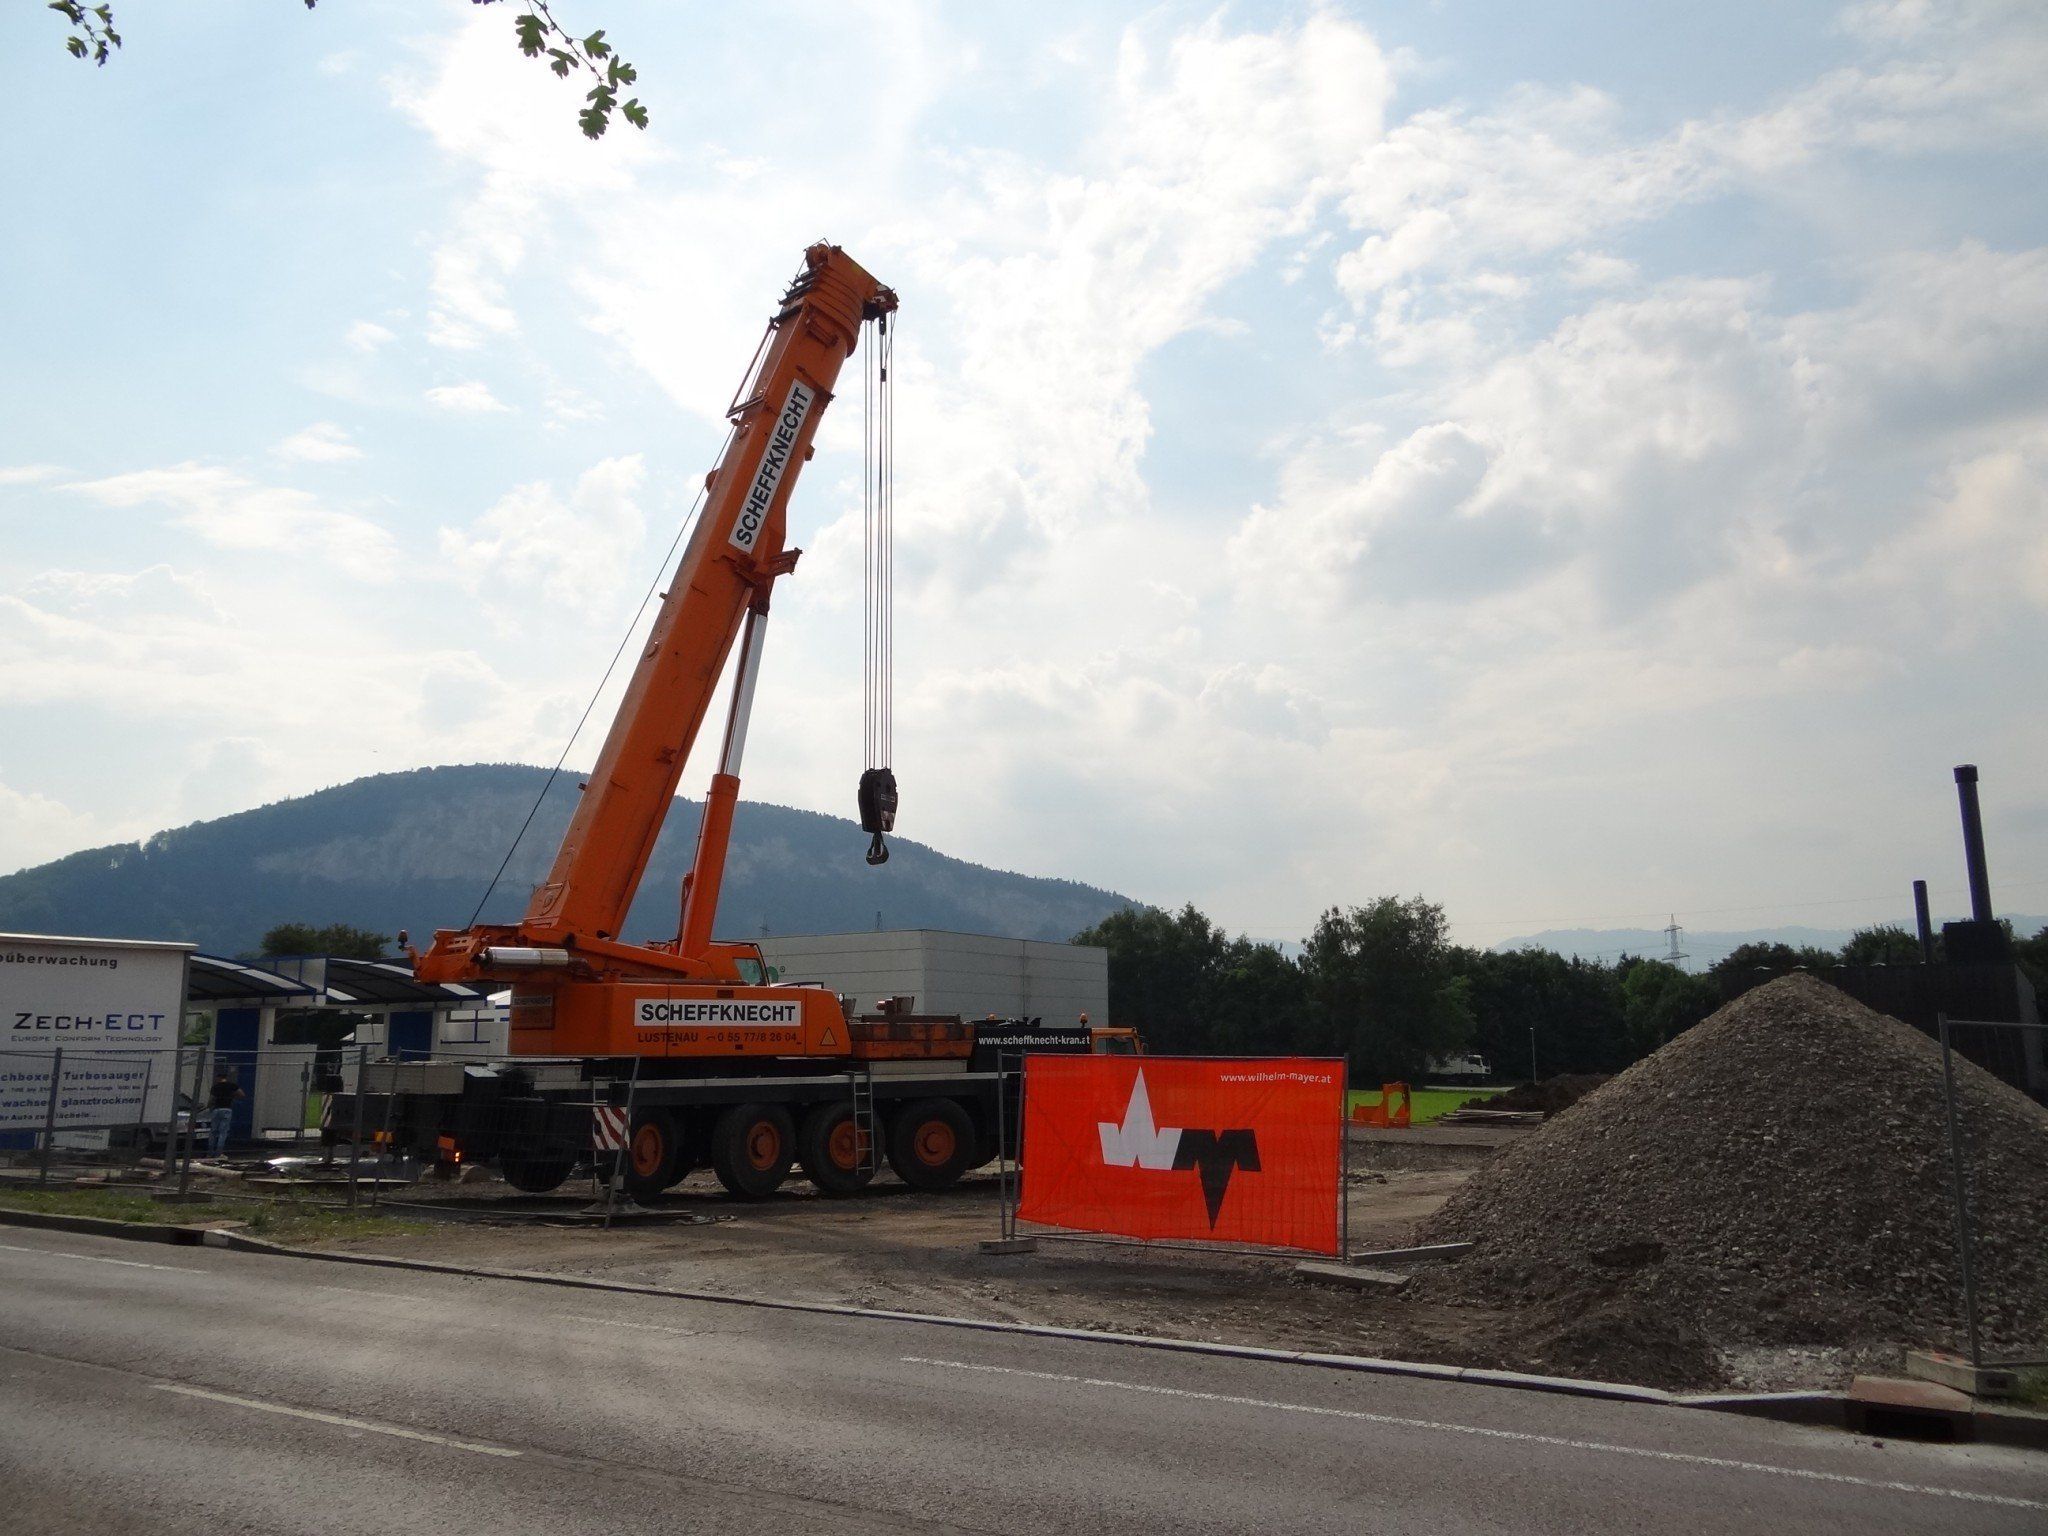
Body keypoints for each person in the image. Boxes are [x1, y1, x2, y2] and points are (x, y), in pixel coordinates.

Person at [207, 1068, 243, 1157]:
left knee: (213, 1132)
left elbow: (211, 1099)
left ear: (218, 1078)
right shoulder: (232, 1085)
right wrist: (232, 1097)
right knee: (223, 1132)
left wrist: (209, 1106)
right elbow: (242, 1094)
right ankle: (219, 1153)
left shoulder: (215, 1087)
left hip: (216, 1109)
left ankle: (210, 1152)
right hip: (227, 1109)